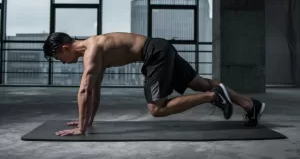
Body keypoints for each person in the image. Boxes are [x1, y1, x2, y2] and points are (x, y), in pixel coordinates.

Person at [42, 32, 266, 137]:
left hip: (154, 53)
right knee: (201, 83)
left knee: (157, 108)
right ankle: (250, 105)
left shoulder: (92, 51)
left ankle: (214, 97)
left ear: (64, 48)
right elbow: (94, 89)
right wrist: (88, 121)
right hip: (160, 47)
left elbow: (84, 90)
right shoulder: (94, 48)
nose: (62, 62)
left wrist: (81, 130)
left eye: (58, 58)